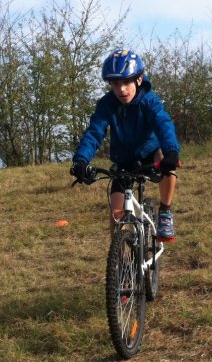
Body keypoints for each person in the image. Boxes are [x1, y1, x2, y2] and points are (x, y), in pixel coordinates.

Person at [70, 49, 180, 241]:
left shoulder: (149, 101)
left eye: (126, 82)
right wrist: (81, 160)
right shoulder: (106, 105)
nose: (121, 89)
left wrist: (172, 151)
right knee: (116, 212)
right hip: (123, 161)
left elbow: (163, 124)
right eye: (115, 84)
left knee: (166, 163)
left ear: (138, 79)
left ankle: (165, 211)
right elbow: (94, 132)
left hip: (150, 153)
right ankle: (121, 262)